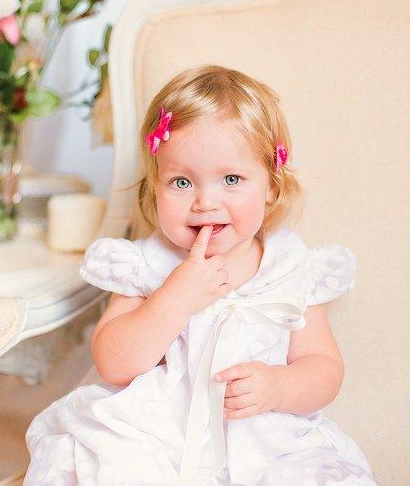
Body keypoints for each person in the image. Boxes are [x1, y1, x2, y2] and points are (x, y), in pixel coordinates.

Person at [23, 65, 376, 485]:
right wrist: (174, 299)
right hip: (153, 436)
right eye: (181, 182)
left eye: (232, 179)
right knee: (108, 466)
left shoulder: (290, 268)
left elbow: (324, 367)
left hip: (264, 442)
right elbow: (113, 363)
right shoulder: (147, 264)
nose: (206, 202)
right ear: (155, 186)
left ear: (271, 185)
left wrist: (279, 385)